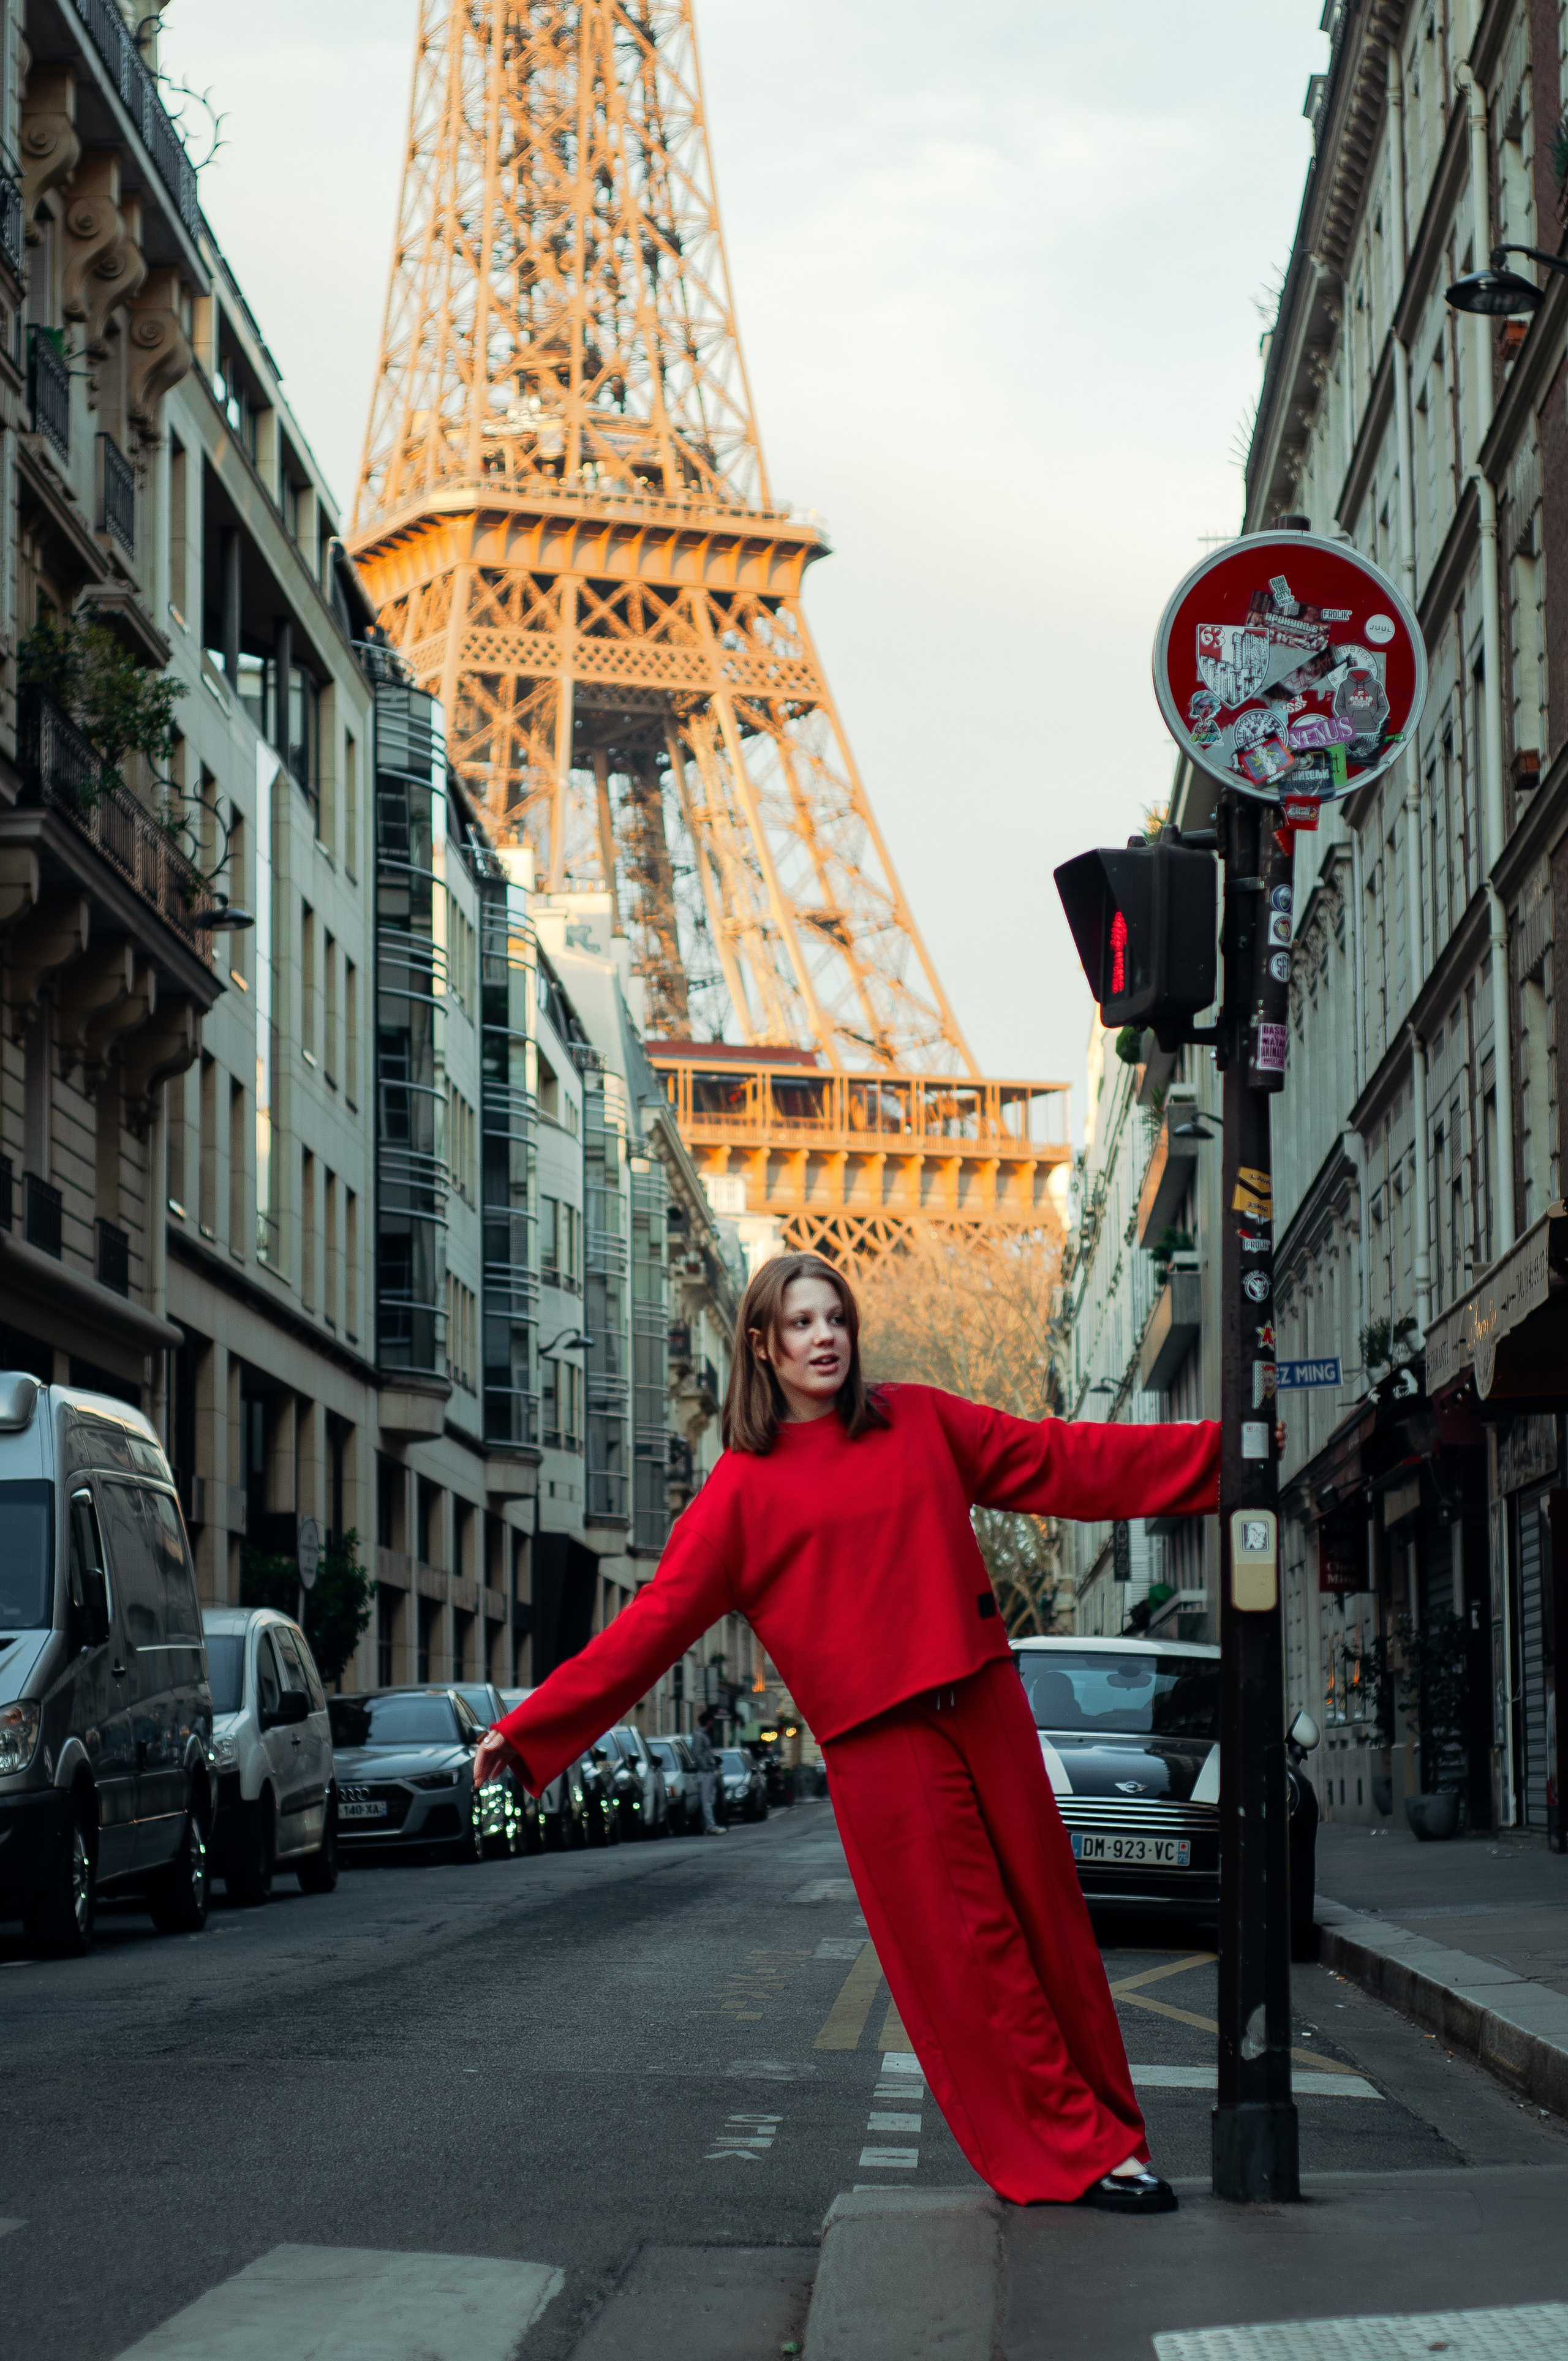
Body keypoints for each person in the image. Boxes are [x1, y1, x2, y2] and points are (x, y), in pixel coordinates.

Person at [477, 1251, 1221, 2215]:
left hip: (986, 1699)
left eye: (836, 1317)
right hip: (883, 1745)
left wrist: (1223, 1456)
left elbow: (1057, 1459)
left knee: (1054, 1930)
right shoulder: (738, 1492)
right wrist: (532, 1729)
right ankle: (1076, 2152)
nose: (824, 1336)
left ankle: (1110, 2130)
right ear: (761, 1343)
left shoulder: (919, 1418)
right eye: (800, 1322)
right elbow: (649, 1627)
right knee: (978, 1952)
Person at [687, 1709, 724, 1835]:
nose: (713, 1723)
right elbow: (697, 1753)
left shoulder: (704, 1734)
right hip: (706, 1772)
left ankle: (706, 1825)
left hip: (709, 1770)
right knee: (706, 1800)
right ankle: (710, 1826)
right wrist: (706, 1767)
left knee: (709, 1800)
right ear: (708, 1721)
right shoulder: (699, 1735)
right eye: (712, 1720)